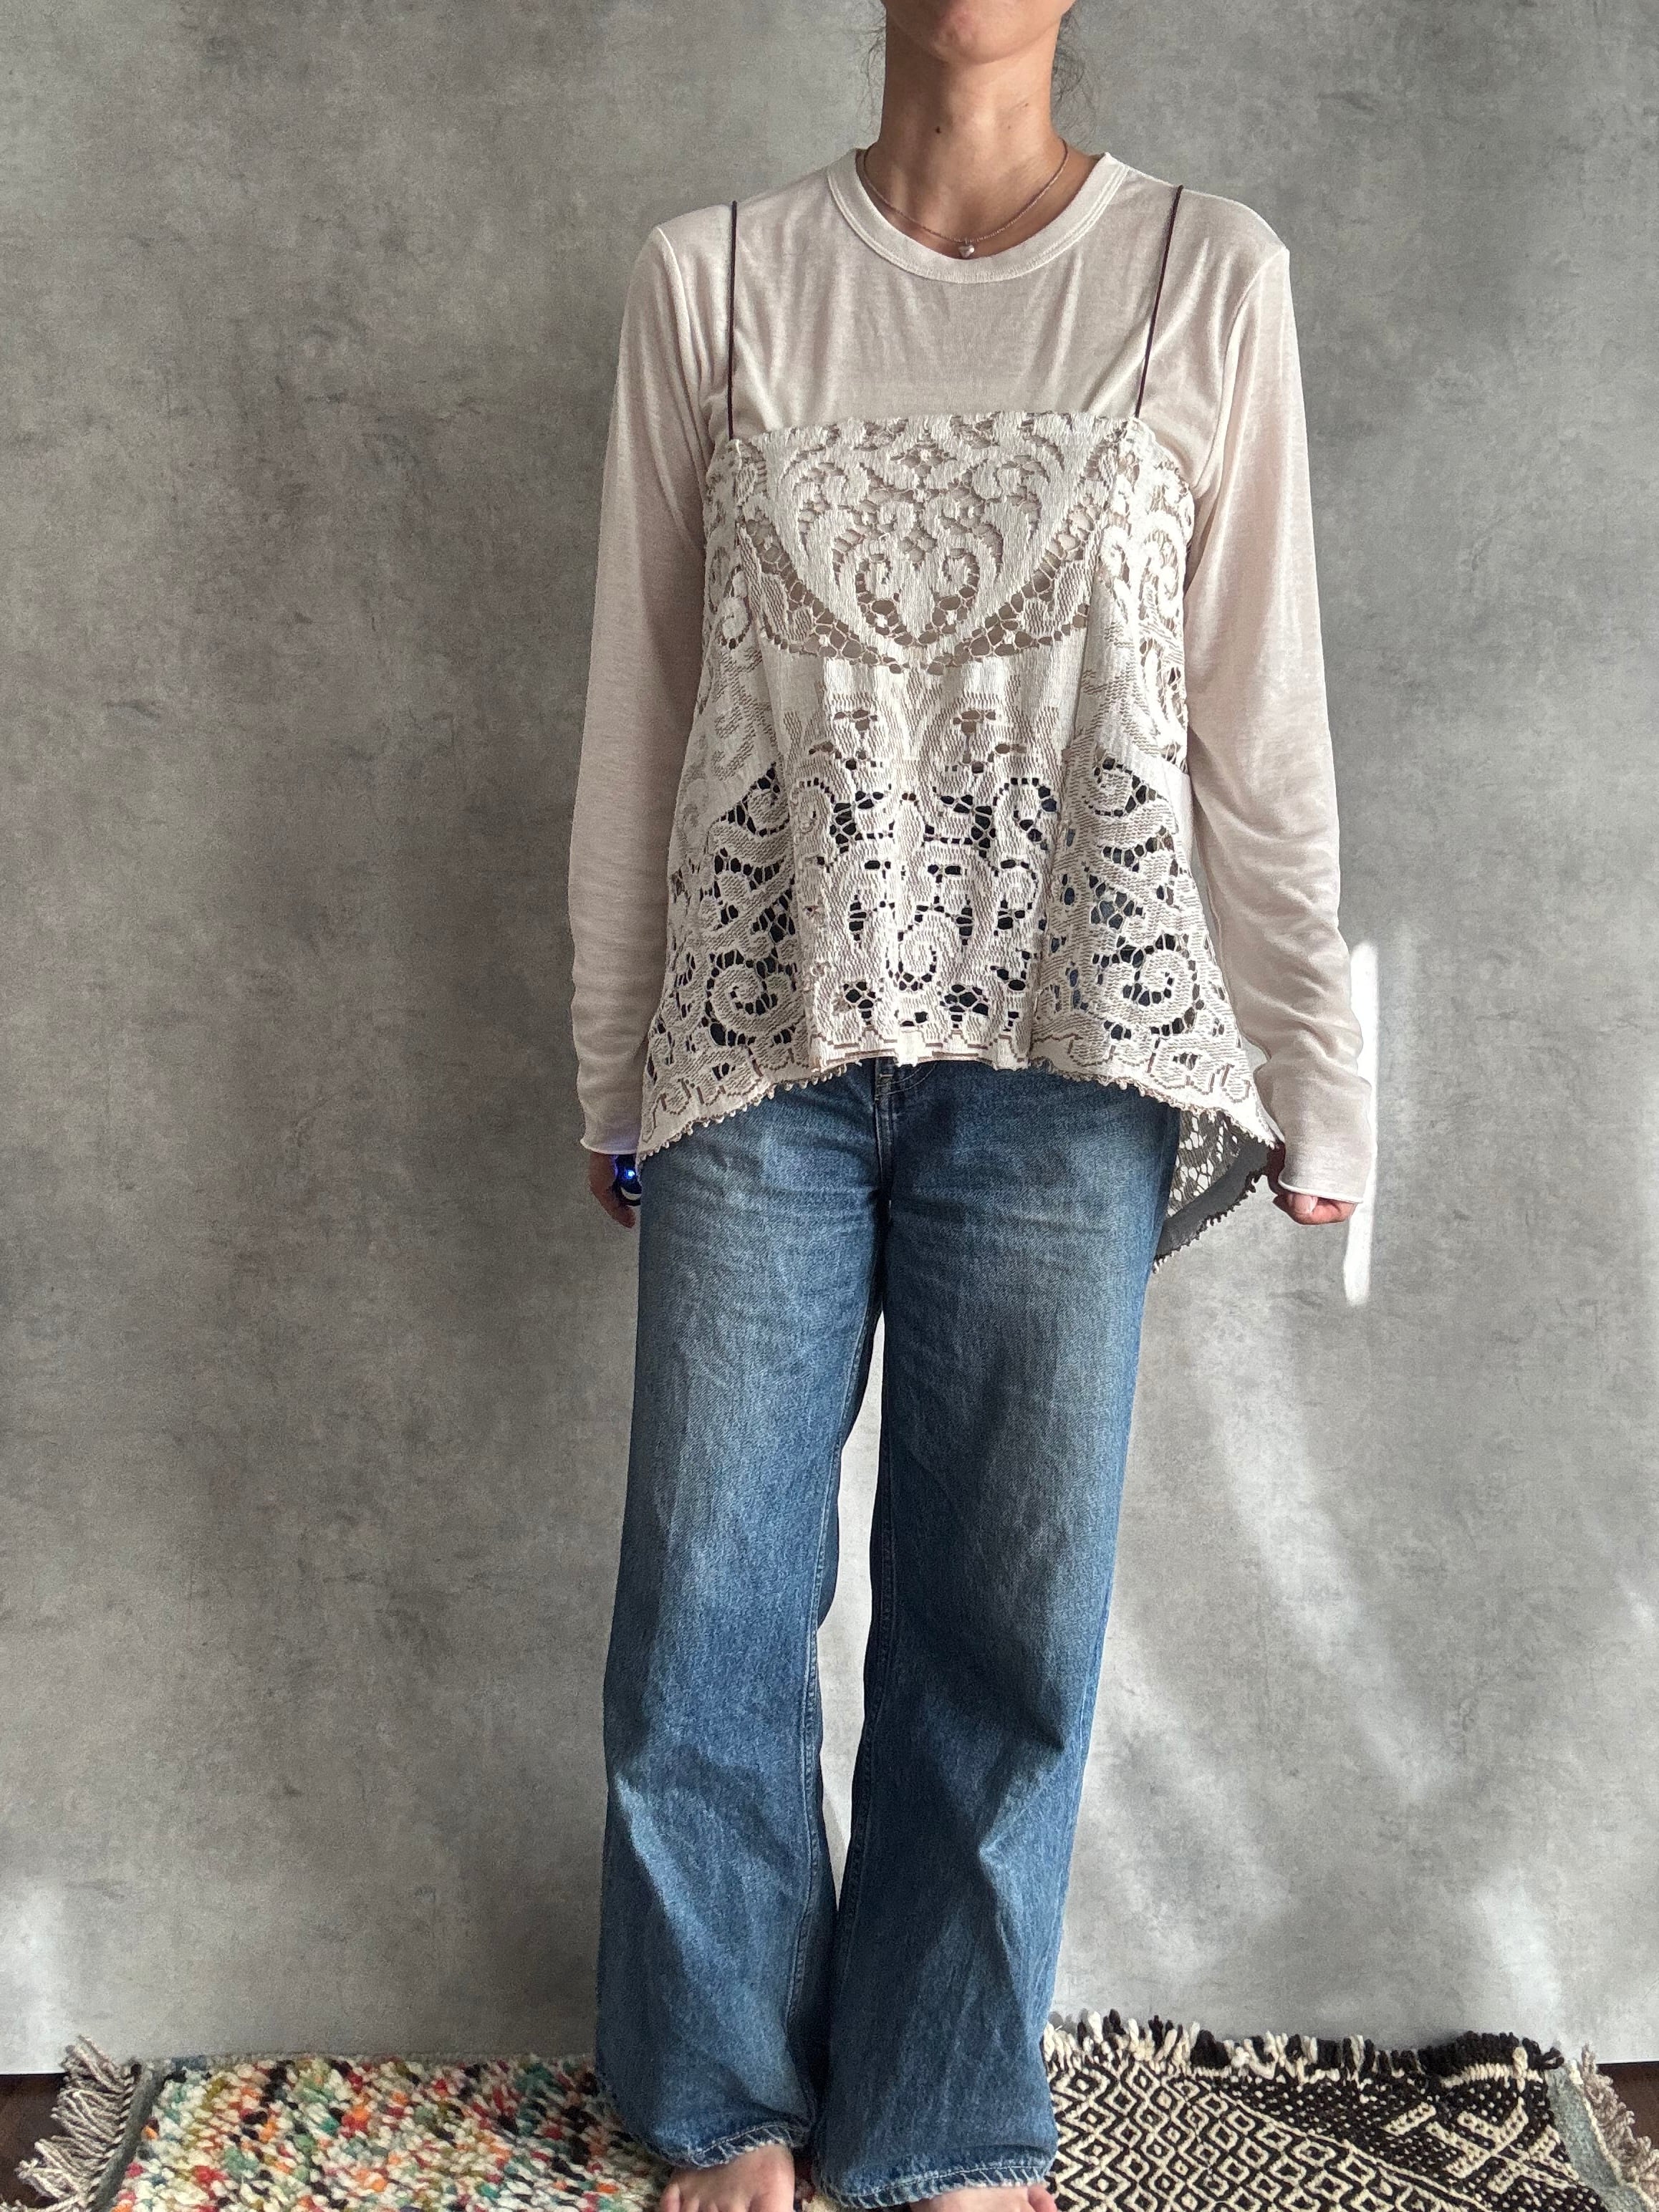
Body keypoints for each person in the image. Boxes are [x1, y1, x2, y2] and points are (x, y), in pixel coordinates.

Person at [565, 4, 1373, 2208]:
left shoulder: (1203, 273)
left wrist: (1314, 1058)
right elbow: (639, 704)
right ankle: (726, 2094)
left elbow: (1255, 718)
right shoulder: (713, 280)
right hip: (757, 1044)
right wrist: (614, 1041)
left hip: (1068, 1055)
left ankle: (935, 2116)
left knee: (1001, 1619)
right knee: (708, 1601)